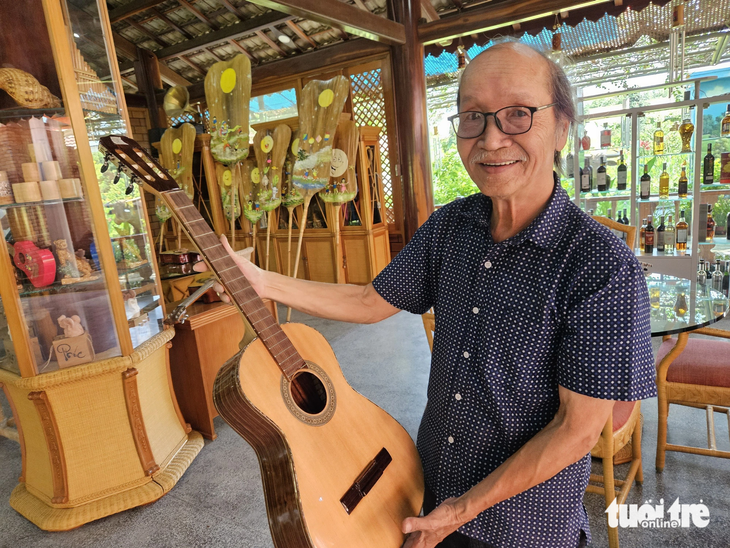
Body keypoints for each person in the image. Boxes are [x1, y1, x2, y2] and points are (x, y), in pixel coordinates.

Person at [196, 42, 656, 548]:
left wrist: (460, 511)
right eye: (473, 117)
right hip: (424, 489)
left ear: (563, 128)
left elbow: (577, 432)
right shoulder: (450, 228)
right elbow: (372, 301)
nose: (492, 139)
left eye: (518, 115)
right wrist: (260, 280)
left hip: (522, 527)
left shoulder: (604, 266)